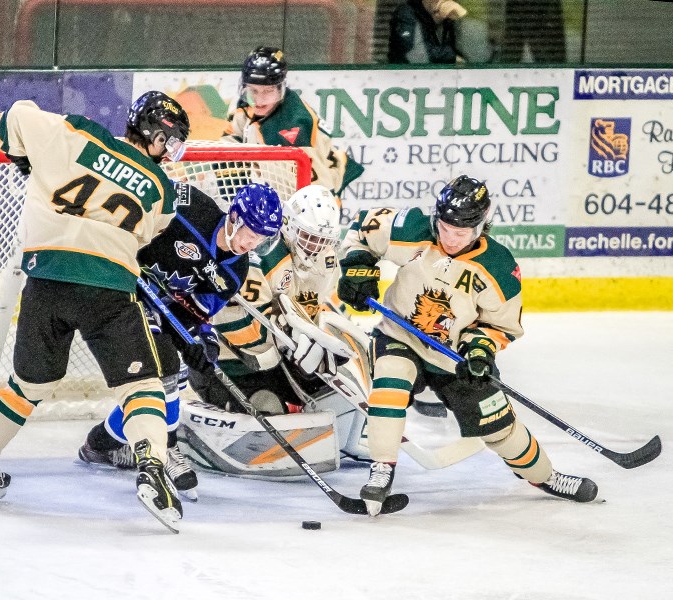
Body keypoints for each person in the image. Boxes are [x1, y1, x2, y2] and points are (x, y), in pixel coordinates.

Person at [0, 91, 192, 531]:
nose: (171, 150)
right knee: (142, 383)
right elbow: (146, 234)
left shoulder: (75, 133)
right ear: (156, 133)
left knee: (29, 383)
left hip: (47, 281)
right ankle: (154, 470)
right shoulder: (161, 188)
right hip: (109, 288)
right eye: (170, 139)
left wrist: (25, 156)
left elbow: (8, 121)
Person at [337, 175, 598, 516]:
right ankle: (382, 470)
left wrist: (479, 351)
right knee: (390, 385)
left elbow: (499, 326)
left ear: (481, 227)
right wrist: (358, 269)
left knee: (499, 427)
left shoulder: (499, 267)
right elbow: (361, 230)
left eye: (460, 233)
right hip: (400, 335)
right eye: (444, 228)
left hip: (454, 356)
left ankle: (545, 476)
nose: (450, 238)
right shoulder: (412, 229)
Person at [77, 181, 284, 498]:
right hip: (121, 285)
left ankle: (99, 443)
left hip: (160, 305)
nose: (252, 243)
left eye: (261, 238)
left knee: (171, 373)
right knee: (166, 367)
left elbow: (196, 313)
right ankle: (167, 448)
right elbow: (139, 202)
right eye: (251, 232)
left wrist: (203, 342)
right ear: (235, 217)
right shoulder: (190, 208)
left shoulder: (235, 270)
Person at [189, 184, 343, 415]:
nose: (315, 248)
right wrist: (290, 340)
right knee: (267, 408)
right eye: (310, 237)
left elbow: (314, 309)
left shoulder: (325, 260)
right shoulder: (258, 257)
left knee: (335, 389)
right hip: (226, 365)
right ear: (290, 224)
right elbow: (238, 330)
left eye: (322, 240)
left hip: (275, 363)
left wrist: (318, 337)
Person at [223, 47, 364, 205]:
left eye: (268, 91)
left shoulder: (297, 127)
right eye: (253, 91)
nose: (259, 100)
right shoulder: (244, 104)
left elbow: (320, 193)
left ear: (280, 88)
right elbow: (231, 139)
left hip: (316, 193)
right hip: (267, 183)